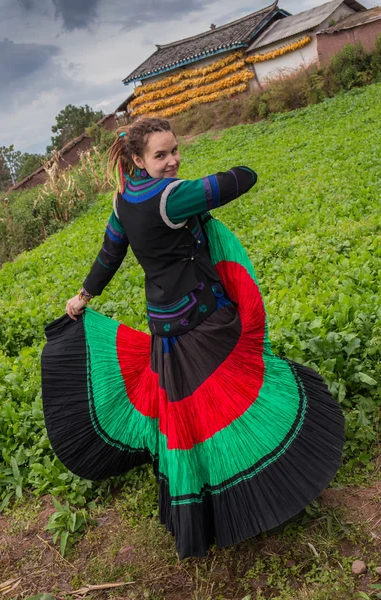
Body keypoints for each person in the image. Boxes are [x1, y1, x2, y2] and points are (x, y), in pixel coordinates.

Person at [41, 117, 345, 560]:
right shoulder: (172, 197)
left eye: (175, 150)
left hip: (166, 327)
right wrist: (197, 183)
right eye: (161, 154)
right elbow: (243, 178)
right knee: (241, 393)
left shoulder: (123, 202)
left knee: (193, 420)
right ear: (138, 159)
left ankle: (212, 506)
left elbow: (109, 254)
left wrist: (85, 294)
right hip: (205, 318)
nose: (172, 161)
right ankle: (267, 483)